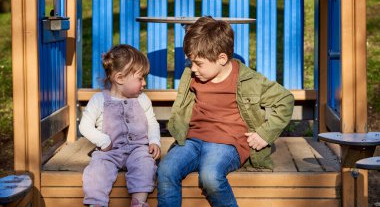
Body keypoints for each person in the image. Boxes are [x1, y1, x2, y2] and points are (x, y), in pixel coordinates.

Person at [157, 16, 294, 207]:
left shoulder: (248, 80)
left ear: (221, 58)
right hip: (193, 140)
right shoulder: (192, 76)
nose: (192, 69)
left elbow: (285, 99)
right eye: (191, 62)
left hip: (227, 143)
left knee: (210, 176)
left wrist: (265, 133)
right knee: (165, 170)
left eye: (198, 63)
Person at [79, 44, 161, 207]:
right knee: (96, 171)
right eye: (140, 78)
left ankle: (138, 202)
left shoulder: (142, 99)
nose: (144, 83)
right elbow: (85, 126)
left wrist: (154, 141)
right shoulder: (99, 100)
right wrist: (103, 141)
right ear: (120, 78)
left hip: (138, 148)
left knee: (146, 165)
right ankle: (97, 203)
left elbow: (152, 122)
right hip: (110, 150)